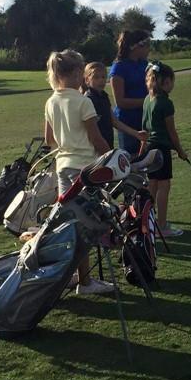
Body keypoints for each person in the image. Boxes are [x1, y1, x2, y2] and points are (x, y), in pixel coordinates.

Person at [44, 50, 114, 295]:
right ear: (75, 73)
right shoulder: (84, 101)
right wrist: (114, 157)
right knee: (88, 225)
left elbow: (49, 139)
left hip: (62, 166)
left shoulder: (51, 100)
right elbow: (96, 138)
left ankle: (80, 276)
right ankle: (84, 282)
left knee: (73, 225)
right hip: (85, 169)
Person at [142, 61, 188, 238]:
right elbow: (172, 132)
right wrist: (180, 151)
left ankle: (148, 222)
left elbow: (144, 130)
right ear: (165, 82)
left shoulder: (147, 99)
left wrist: (141, 152)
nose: (173, 84)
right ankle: (161, 225)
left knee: (152, 185)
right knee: (164, 186)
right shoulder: (165, 103)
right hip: (161, 149)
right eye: (171, 81)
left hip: (149, 148)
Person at [81, 61, 148, 150]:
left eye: (103, 77)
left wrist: (136, 133)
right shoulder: (88, 99)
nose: (101, 80)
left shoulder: (103, 96)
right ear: (87, 80)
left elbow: (114, 121)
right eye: (96, 77)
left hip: (107, 143)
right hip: (94, 148)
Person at [108, 29, 151, 155]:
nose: (149, 50)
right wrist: (147, 101)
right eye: (147, 46)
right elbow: (120, 102)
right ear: (136, 47)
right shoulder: (119, 68)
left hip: (145, 118)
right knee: (131, 160)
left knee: (148, 159)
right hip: (128, 123)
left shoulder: (144, 64)